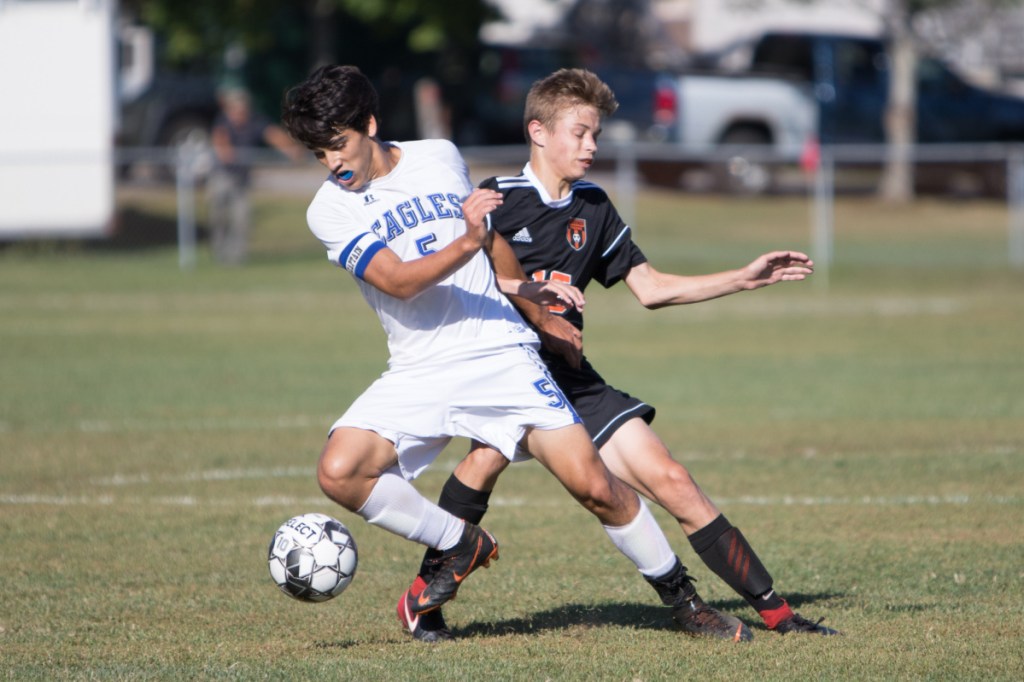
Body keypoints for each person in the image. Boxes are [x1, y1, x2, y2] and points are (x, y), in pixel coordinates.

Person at [280, 65, 751, 639]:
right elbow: (400, 282)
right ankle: (460, 542)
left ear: (369, 125)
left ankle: (686, 605)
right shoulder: (328, 210)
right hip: (419, 366)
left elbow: (495, 243)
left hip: (499, 352)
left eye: (338, 144)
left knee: (596, 487)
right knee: (340, 471)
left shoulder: (439, 157)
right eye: (318, 152)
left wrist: (535, 305)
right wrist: (469, 241)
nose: (332, 162)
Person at [400, 68, 841, 642]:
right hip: (505, 373)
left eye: (596, 136)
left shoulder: (594, 206)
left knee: (672, 479)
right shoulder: (493, 201)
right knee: (487, 457)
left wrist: (744, 278)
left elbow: (652, 289)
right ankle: (424, 600)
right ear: (538, 131)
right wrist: (524, 293)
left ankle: (781, 616)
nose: (591, 146)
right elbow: (451, 284)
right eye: (580, 133)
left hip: (574, 379)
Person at [208, 85, 303, 265]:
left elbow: (273, 135)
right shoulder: (222, 122)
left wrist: (291, 151)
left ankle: (237, 258)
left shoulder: (254, 122)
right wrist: (226, 153)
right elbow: (221, 143)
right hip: (222, 177)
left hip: (242, 180)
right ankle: (219, 253)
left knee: (241, 218)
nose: (239, 114)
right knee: (218, 216)